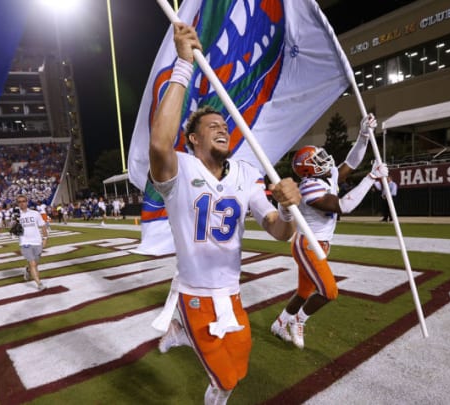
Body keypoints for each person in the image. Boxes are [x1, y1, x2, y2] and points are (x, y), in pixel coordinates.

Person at [151, 22, 301, 405]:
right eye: (211, 126)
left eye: (224, 125)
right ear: (193, 140)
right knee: (224, 377)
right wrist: (184, 65)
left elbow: (279, 231)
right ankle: (183, 321)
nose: (222, 128)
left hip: (232, 293)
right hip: (196, 294)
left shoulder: (247, 174)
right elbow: (158, 143)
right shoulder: (180, 169)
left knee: (238, 371)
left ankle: (182, 331)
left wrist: (286, 209)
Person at [271, 138, 388, 350]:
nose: (326, 160)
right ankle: (299, 320)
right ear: (309, 168)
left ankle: (280, 324)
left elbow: (350, 163)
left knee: (304, 292)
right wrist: (371, 177)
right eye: (319, 159)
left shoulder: (325, 176)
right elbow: (344, 205)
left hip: (319, 243)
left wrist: (362, 137)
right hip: (308, 244)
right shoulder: (308, 188)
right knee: (329, 291)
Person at [16, 194, 49, 290]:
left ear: (27, 202)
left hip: (37, 241)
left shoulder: (35, 213)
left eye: (23, 201)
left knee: (35, 263)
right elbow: (14, 230)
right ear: (18, 204)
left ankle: (27, 270)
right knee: (33, 264)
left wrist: (45, 238)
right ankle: (39, 284)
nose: (22, 203)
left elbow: (43, 226)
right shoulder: (16, 215)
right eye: (19, 202)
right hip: (25, 242)